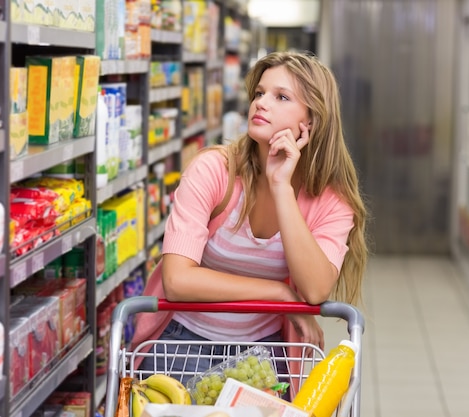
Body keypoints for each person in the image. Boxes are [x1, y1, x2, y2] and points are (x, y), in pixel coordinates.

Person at [134, 51, 368, 387]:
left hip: (264, 352)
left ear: (312, 121)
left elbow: (315, 289)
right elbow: (177, 280)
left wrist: (281, 187)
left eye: (281, 97)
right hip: (181, 343)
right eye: (259, 93)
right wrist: (281, 295)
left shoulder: (331, 200)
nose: (261, 104)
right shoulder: (213, 170)